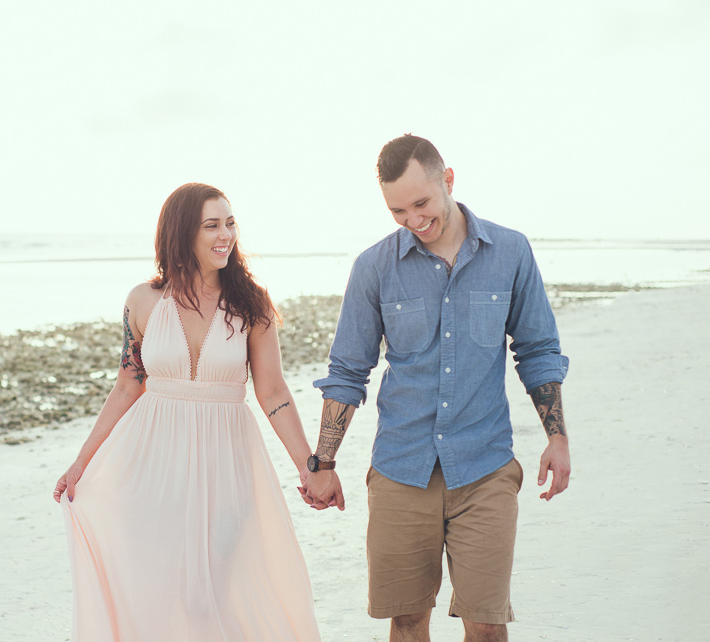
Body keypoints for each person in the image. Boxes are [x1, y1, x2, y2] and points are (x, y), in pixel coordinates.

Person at [300, 134, 571, 642]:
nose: (412, 220)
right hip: (402, 469)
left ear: (449, 179)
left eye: (421, 203)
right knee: (406, 622)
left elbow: (537, 349)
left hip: (485, 466)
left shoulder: (510, 251)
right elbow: (347, 373)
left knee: (488, 625)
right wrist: (324, 463)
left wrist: (557, 438)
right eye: (397, 210)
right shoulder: (373, 267)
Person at [53, 183, 322, 641]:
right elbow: (126, 384)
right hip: (152, 464)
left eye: (230, 223)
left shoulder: (251, 303)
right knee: (157, 591)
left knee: (210, 593)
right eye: (212, 225)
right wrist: (82, 461)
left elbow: (273, 391)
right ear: (182, 233)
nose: (226, 235)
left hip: (227, 464)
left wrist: (310, 465)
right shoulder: (143, 301)